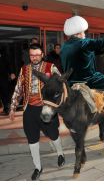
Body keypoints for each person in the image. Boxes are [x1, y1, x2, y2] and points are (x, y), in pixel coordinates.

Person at [9, 44, 65, 180]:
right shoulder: (24, 69)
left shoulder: (50, 67)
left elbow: (60, 85)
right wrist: (12, 107)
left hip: (45, 108)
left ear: (42, 54)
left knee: (53, 134)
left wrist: (58, 105)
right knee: (32, 139)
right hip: (29, 110)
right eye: (31, 55)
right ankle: (38, 167)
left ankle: (60, 153)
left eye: (37, 55)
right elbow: (18, 89)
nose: (34, 58)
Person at [60, 15, 104, 121]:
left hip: (70, 81)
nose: (85, 34)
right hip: (88, 78)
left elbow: (92, 51)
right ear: (78, 33)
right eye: (83, 32)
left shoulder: (64, 46)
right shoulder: (84, 42)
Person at [0, 47, 16, 115]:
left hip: (3, 78)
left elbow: (9, 65)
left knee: (5, 93)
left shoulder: (4, 57)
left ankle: (7, 108)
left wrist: (12, 73)